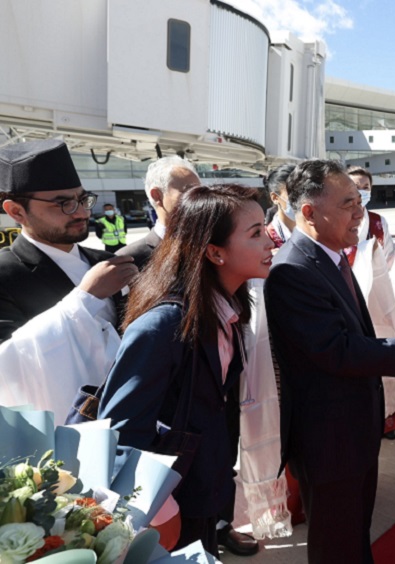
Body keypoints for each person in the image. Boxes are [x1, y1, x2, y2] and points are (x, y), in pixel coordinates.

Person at [264, 159, 395, 563]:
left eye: (360, 201)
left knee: (353, 535)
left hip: (352, 431)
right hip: (329, 441)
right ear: (309, 212)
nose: (360, 213)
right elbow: (338, 351)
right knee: (337, 545)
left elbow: (358, 339)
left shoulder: (329, 255)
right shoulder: (293, 271)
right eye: (348, 204)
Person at [98, 184, 274, 556]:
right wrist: (162, 510)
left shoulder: (227, 310)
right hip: (172, 507)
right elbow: (120, 432)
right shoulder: (162, 327)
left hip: (204, 491)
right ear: (215, 252)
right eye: (256, 233)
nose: (270, 241)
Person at [0, 139, 135, 413]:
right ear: (16, 211)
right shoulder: (5, 274)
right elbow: (9, 364)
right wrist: (85, 299)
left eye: (83, 199)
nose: (83, 212)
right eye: (63, 204)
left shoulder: (105, 262)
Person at [344, 165, 395, 439]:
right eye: (355, 187)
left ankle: (389, 415)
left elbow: (389, 257)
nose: (361, 192)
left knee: (384, 356)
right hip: (346, 298)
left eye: (365, 187)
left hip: (376, 299)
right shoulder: (339, 218)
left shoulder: (378, 222)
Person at [117, 156, 201, 270]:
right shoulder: (128, 260)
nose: (199, 199)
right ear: (157, 196)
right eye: (189, 191)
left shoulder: (212, 247)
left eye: (200, 192)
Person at [264, 163, 297, 249]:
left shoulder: (318, 231)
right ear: (275, 198)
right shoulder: (266, 239)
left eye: (302, 191)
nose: (299, 199)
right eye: (291, 193)